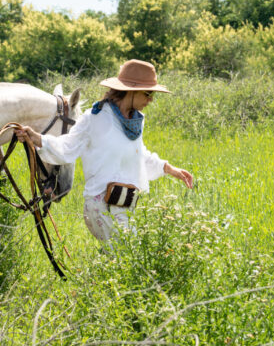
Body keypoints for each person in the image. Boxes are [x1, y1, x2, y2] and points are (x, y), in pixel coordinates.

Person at [15, 59, 193, 242]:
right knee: (125, 257)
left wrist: (168, 168)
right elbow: (68, 145)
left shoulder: (135, 121)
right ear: (129, 91)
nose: (151, 100)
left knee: (124, 260)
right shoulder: (96, 117)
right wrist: (36, 138)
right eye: (147, 93)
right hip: (101, 205)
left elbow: (138, 154)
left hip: (125, 203)